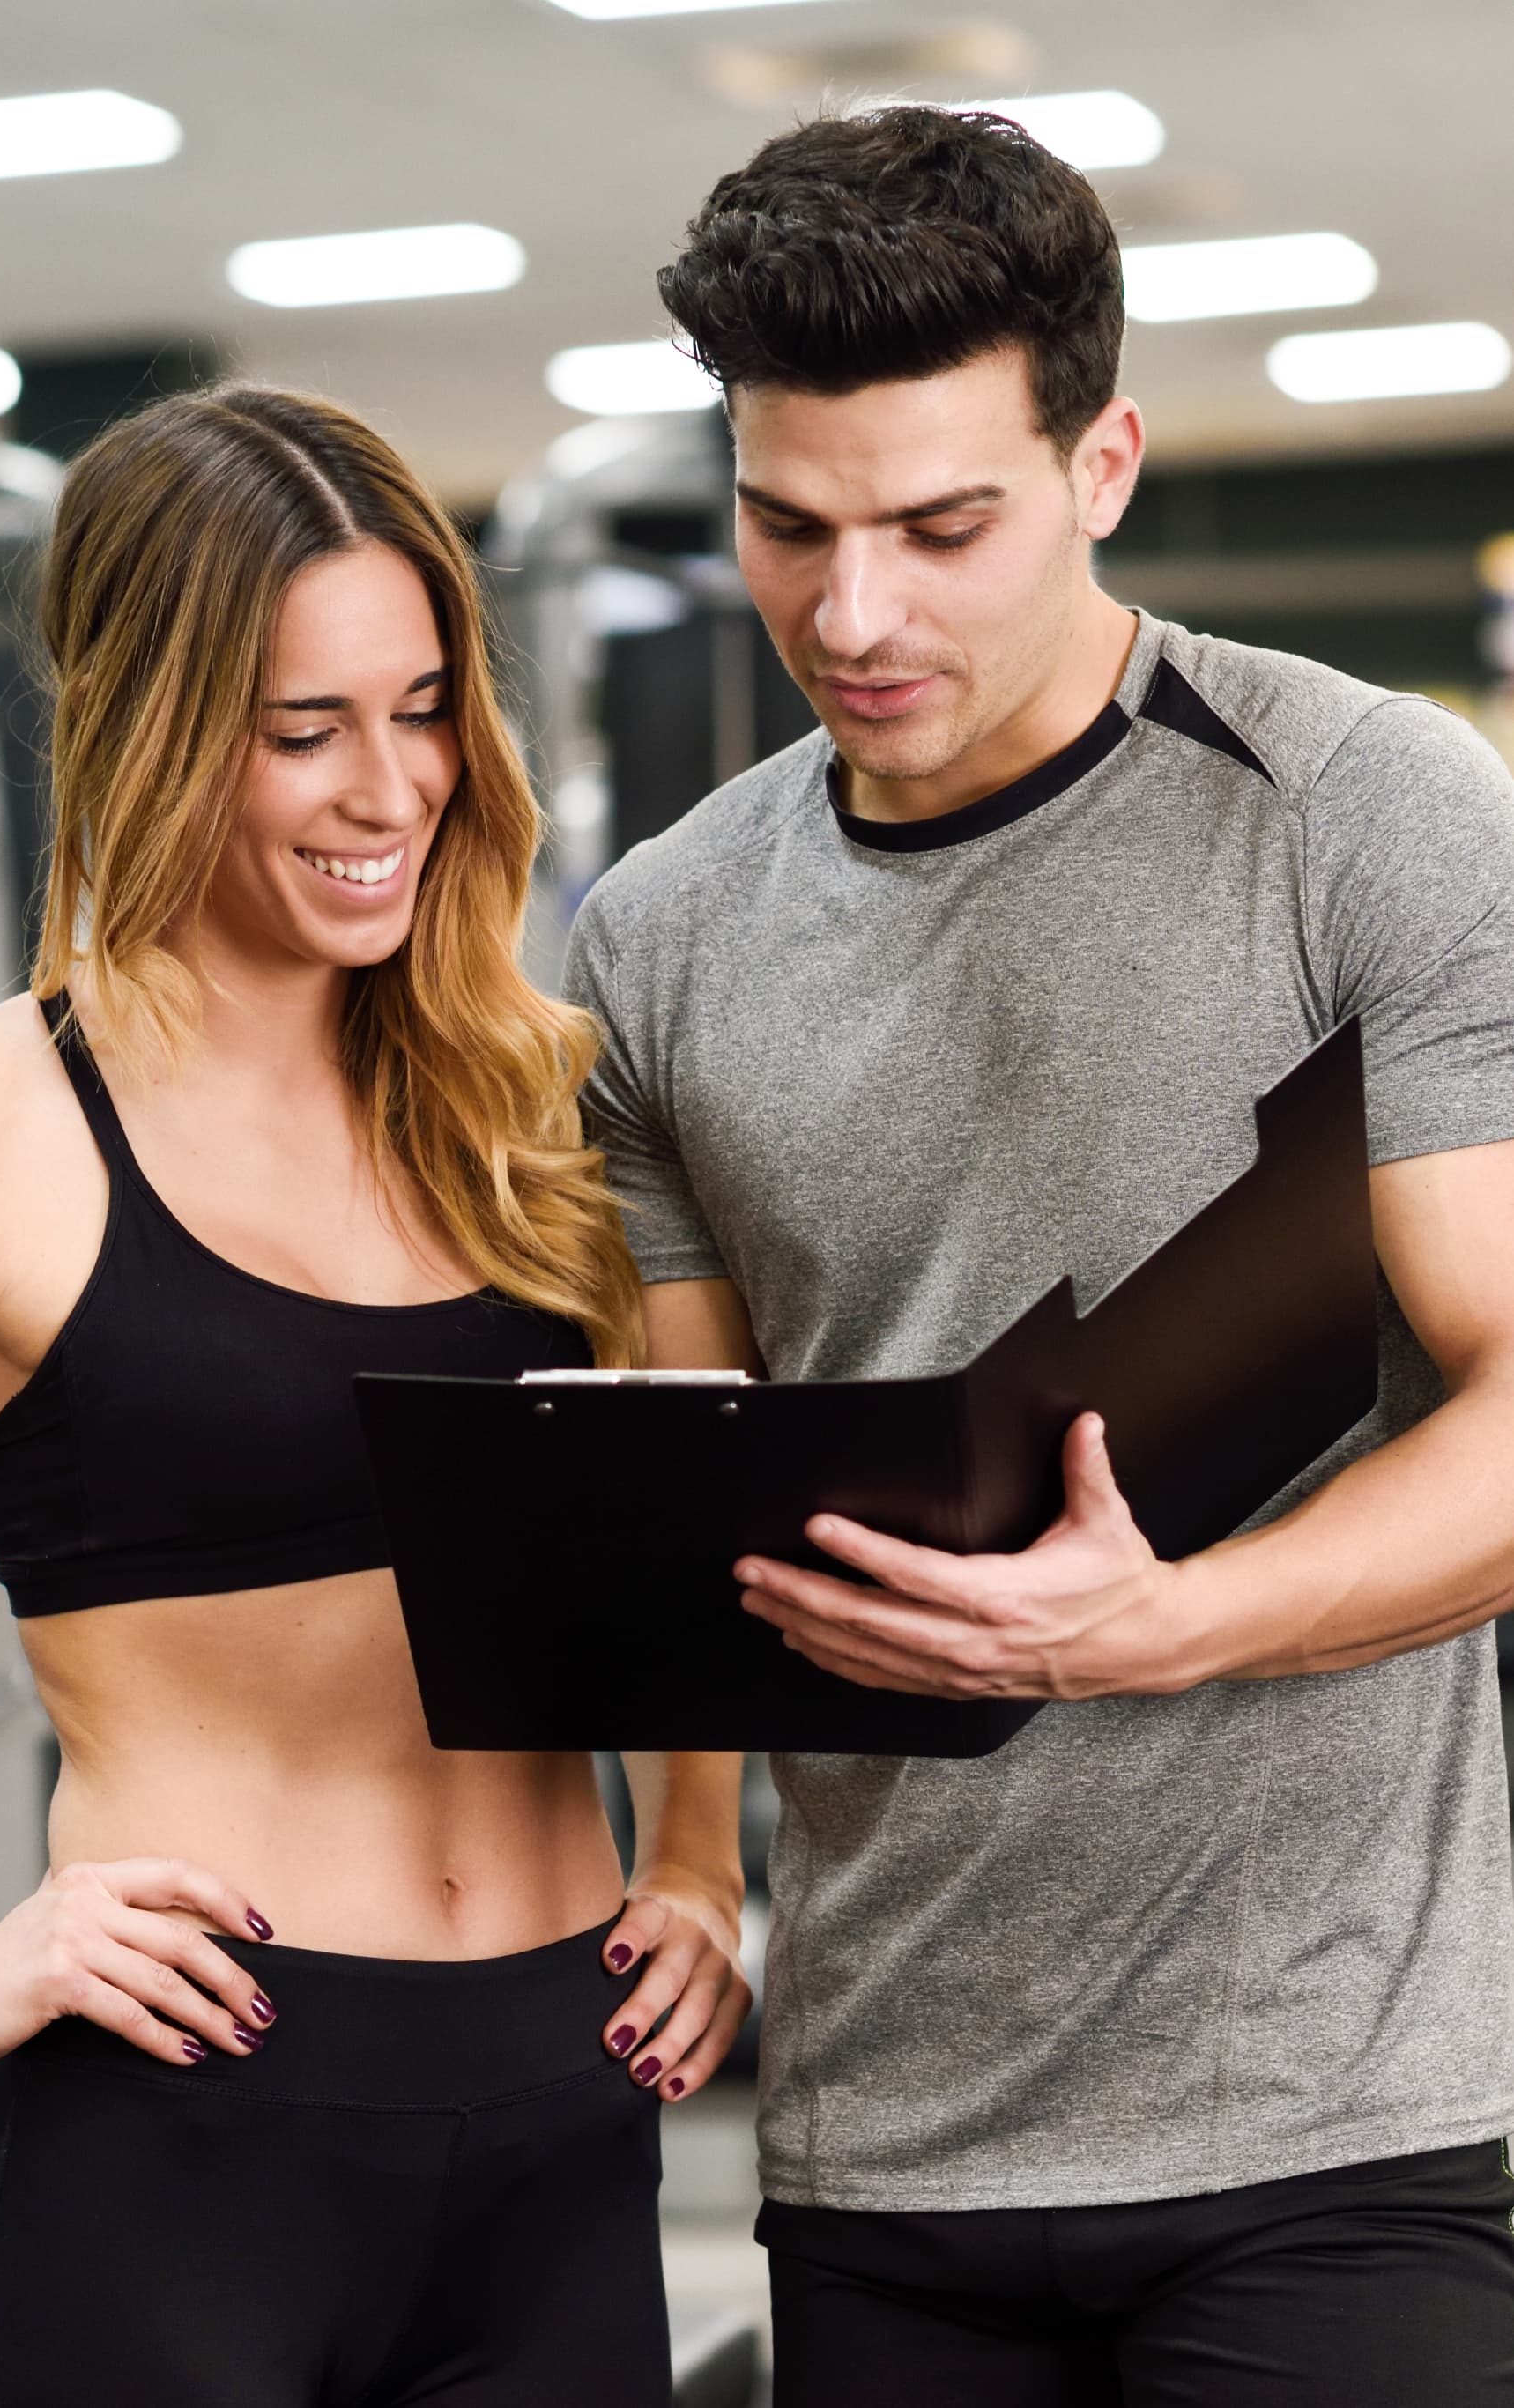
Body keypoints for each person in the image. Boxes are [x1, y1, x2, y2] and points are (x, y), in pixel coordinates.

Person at [0, 382, 751, 2406]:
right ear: (145, 732)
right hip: (181, 2150)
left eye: (418, 709)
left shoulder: (543, 1099)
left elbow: (684, 1497)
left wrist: (694, 1858)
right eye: (302, 730)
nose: (384, 786)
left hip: (563, 2142)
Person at [565, 107, 1514, 2404]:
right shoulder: (665, 934)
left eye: (938, 527)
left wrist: (1162, 1622)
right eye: (784, 527)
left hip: (1337, 2114)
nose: (852, 612)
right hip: (888, 2129)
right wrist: (689, 1858)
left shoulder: (1367, 811)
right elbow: (710, 1469)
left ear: (1100, 469)